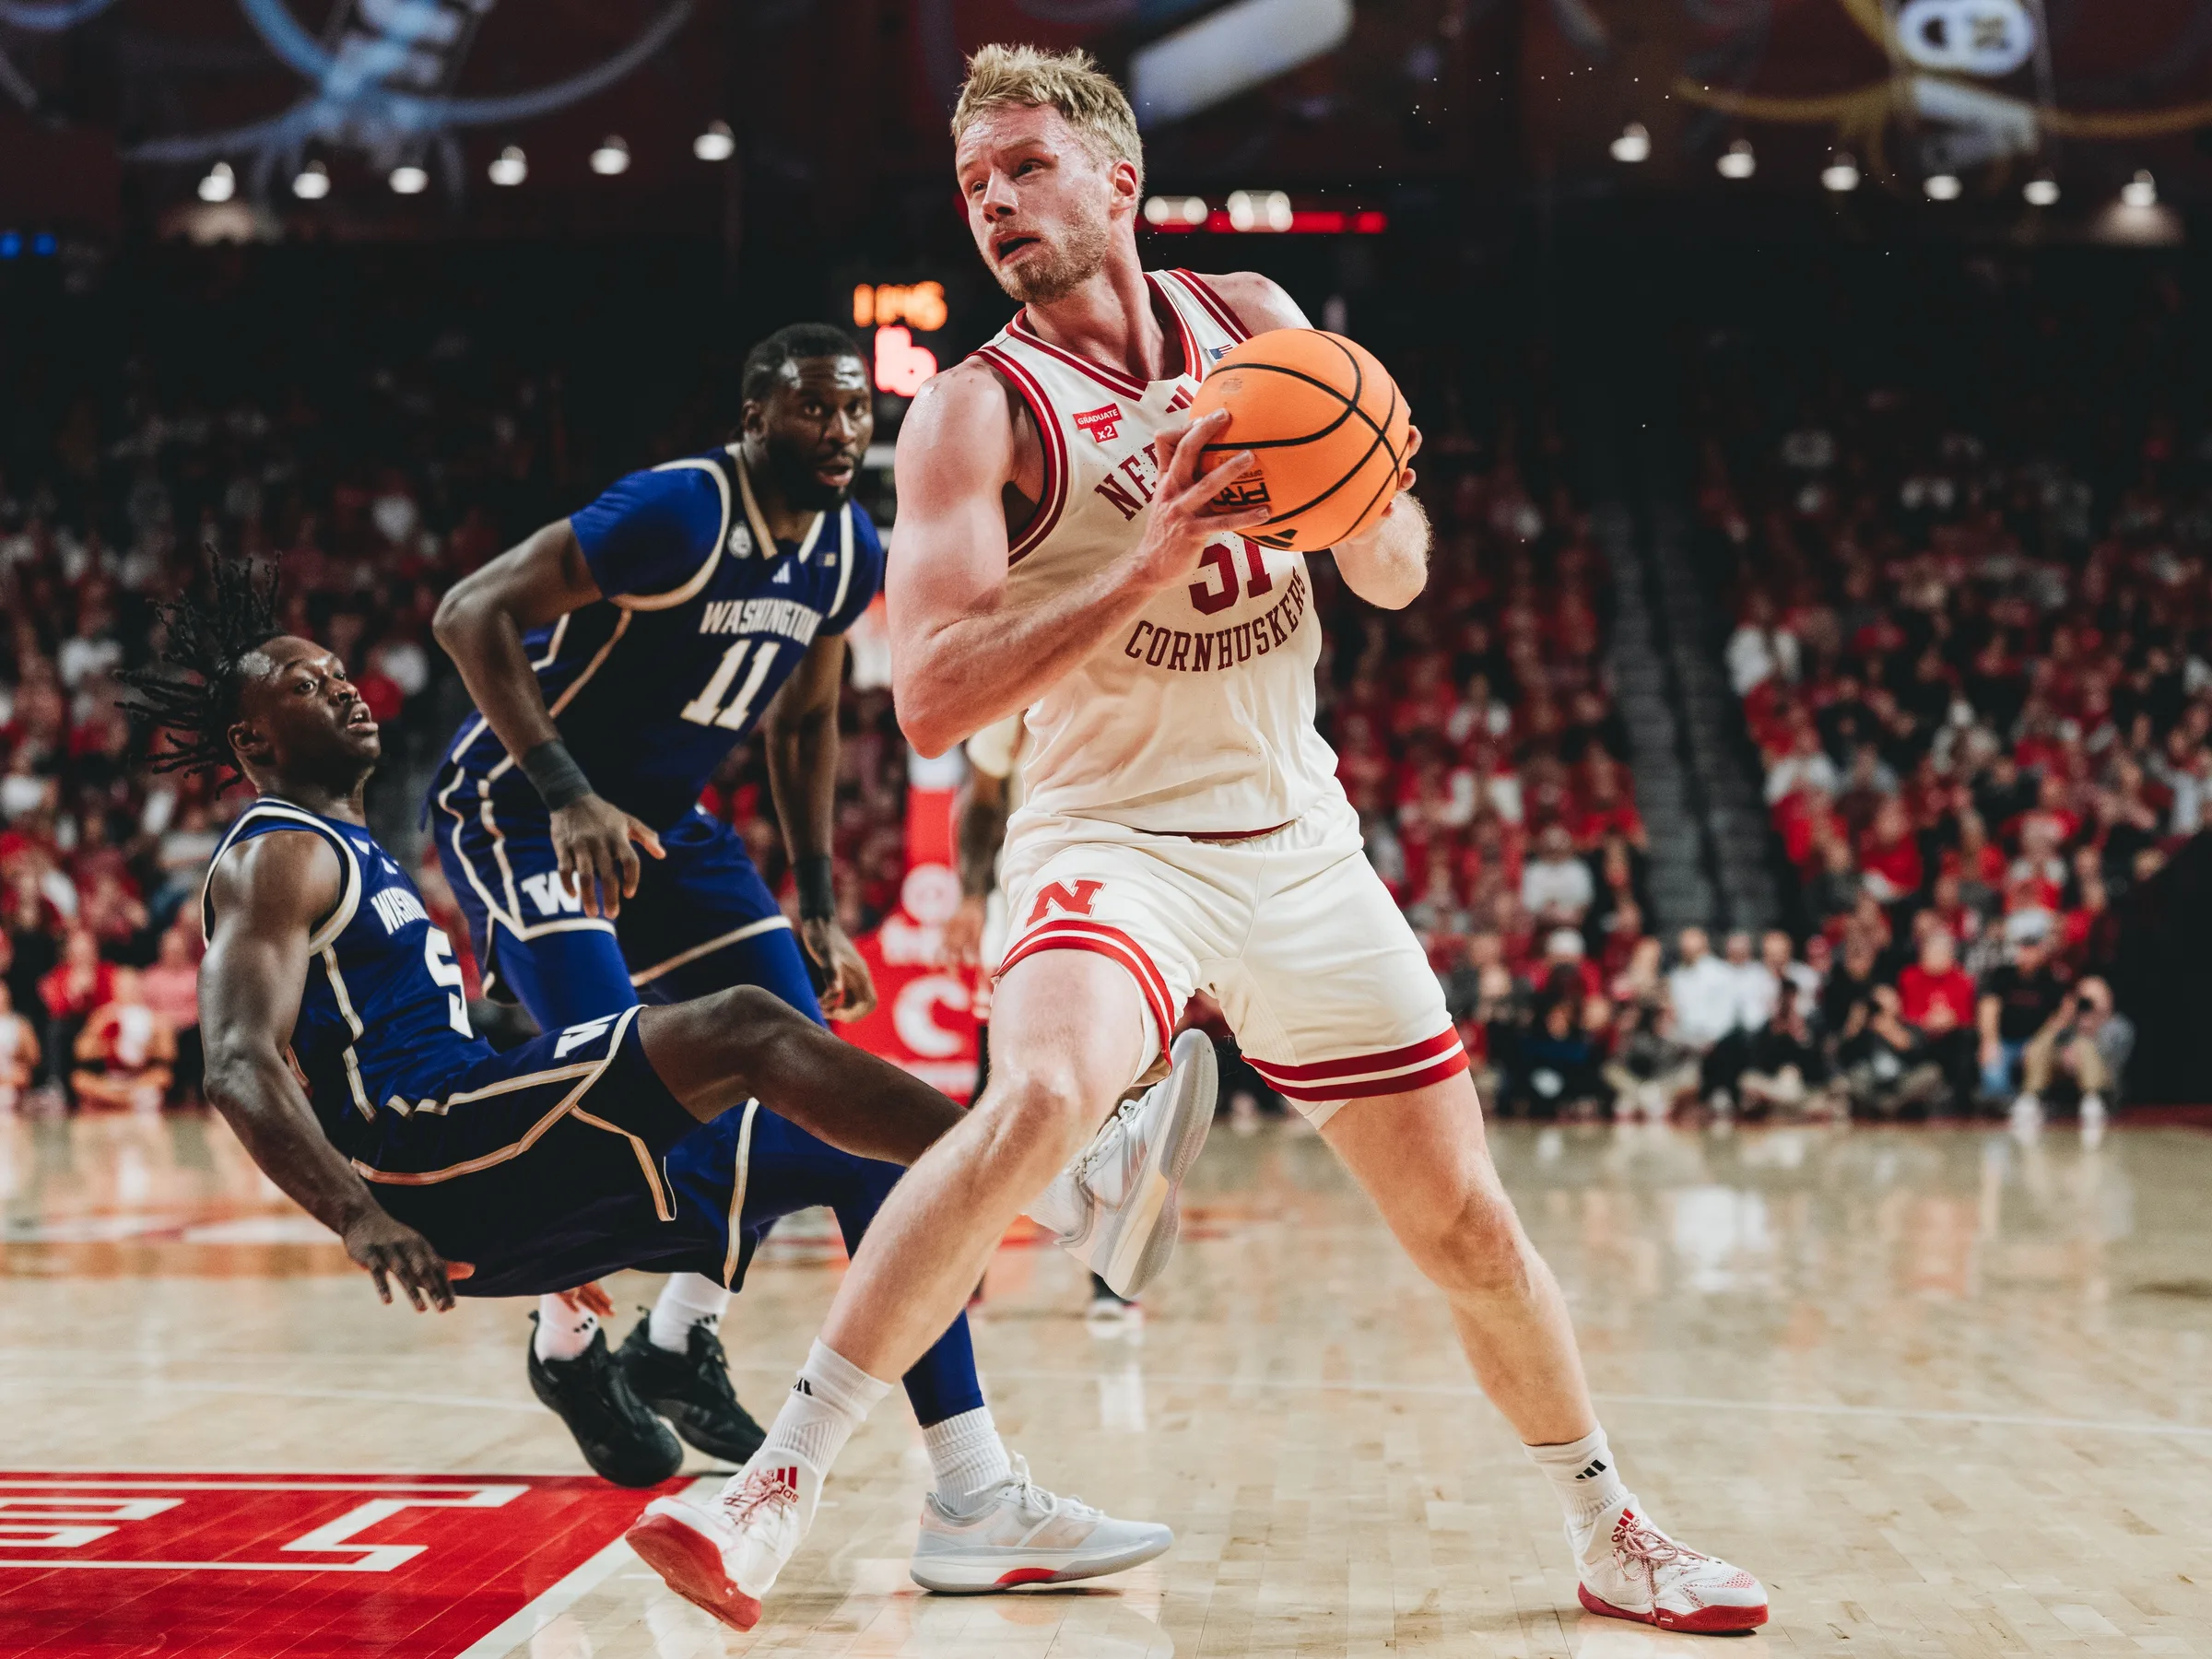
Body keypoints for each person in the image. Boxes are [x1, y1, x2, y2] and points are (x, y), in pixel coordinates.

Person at [628, 43, 1766, 1638]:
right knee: (1026, 1094)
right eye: (973, 187)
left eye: (1024, 168)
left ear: (1119, 179)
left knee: (1462, 1222)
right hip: (1111, 837)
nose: (998, 205)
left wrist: (1358, 499)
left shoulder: (1265, 328)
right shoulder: (975, 412)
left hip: (1295, 838)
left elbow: (1399, 576)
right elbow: (936, 700)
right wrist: (1148, 552)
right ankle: (774, 1488)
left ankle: (1611, 1528)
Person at [121, 558, 1181, 1588]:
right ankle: (1065, 1180)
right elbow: (236, 1063)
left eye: (338, 671)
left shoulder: (361, 852)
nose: (343, 690)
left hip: (487, 1160)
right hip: (425, 1156)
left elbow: (435, 1032)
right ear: (252, 739)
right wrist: (358, 1216)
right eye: (307, 686)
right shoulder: (275, 851)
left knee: (861, 1166)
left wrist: (555, 1176)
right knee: (743, 1028)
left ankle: (975, 1492)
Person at [430, 324, 1203, 1482]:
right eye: (814, 411)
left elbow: (804, 721)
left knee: (817, 1078)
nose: (842, 432)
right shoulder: (676, 510)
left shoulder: (846, 546)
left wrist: (821, 899)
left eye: (853, 413)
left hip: (667, 826)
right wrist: (567, 791)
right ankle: (569, 1338)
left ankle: (690, 1342)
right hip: (529, 811)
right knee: (624, 1109)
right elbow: (467, 612)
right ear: (755, 418)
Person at [70, 966, 177, 1112]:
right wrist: (108, 1042)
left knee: (163, 1077)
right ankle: (127, 1101)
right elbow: (81, 1052)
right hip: (111, 1079)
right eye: (122, 986)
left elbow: (169, 1055)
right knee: (80, 1079)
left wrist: (148, 1048)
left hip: (141, 1078)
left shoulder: (156, 1019)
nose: (128, 991)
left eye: (132, 987)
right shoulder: (102, 1016)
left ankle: (115, 1101)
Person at [0, 981, 40, 1112]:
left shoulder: (19, 1023)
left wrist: (21, 1052)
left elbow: (34, 1058)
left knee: (22, 1077)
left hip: (13, 1080)